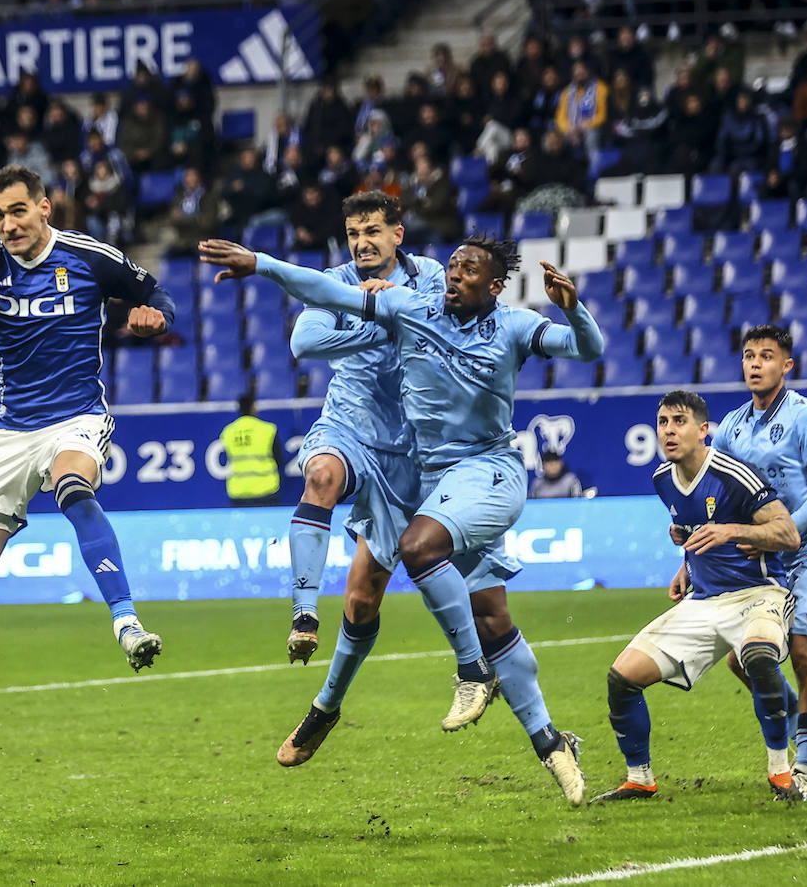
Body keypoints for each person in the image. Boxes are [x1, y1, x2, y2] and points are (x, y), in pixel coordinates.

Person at [199, 231, 603, 802]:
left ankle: (472, 673)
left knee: (419, 550)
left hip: (488, 471)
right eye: (453, 264)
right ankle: (550, 743)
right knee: (483, 615)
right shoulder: (410, 307)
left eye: (468, 270)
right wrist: (260, 263)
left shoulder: (513, 325)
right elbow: (319, 293)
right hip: (424, 478)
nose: (455, 276)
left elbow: (587, 348)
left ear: (493, 285)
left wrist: (573, 308)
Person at [0, 165, 176, 785]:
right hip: (9, 431)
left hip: (75, 417)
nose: (8, 225)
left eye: (17, 211)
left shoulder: (90, 256)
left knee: (73, 488)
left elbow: (158, 295)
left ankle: (126, 621)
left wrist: (156, 317)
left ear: (44, 206)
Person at [598, 390, 803, 803]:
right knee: (622, 678)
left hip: (757, 595)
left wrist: (734, 530)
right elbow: (695, 528)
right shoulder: (662, 479)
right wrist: (685, 566)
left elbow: (789, 534)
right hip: (703, 602)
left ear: (703, 430)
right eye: (663, 423)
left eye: (679, 421)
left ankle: (782, 772)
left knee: (759, 659)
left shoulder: (734, 475)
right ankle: (640, 779)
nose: (669, 431)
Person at [281, 191, 445, 665]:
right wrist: (377, 318)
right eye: (353, 234)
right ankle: (305, 613)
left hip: (407, 449)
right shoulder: (337, 281)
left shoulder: (428, 276)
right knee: (321, 477)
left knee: (363, 599)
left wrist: (396, 302)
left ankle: (331, 698)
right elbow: (304, 341)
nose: (361, 243)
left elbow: (440, 323)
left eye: (372, 232)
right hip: (347, 425)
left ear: (398, 234)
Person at [710, 326, 807, 800]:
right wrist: (690, 563)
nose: (754, 364)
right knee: (741, 657)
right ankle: (804, 730)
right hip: (766, 558)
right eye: (748, 355)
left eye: (766, 356)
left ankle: (806, 769)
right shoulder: (730, 425)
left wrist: (781, 532)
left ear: (786, 365)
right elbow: (720, 501)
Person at [220, 393, 283, 506]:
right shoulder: (267, 429)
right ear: (254, 407)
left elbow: (228, 458)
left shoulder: (228, 431)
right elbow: (278, 459)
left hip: (238, 491)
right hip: (266, 489)